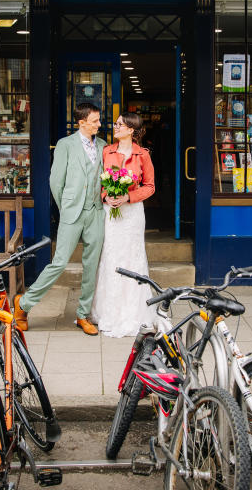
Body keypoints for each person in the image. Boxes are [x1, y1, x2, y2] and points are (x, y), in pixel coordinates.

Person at [14, 103, 106, 335]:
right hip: (72, 212)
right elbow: (56, 181)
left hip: (95, 212)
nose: (99, 124)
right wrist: (66, 206)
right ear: (82, 122)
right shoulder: (65, 145)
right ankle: (23, 305)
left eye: (98, 120)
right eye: (95, 120)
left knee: (92, 264)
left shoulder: (103, 145)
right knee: (60, 262)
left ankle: (83, 315)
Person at [90, 112, 156, 338]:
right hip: (111, 213)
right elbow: (97, 179)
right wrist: (105, 195)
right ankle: (109, 312)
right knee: (111, 257)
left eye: (120, 124)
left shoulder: (143, 155)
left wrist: (128, 197)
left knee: (133, 258)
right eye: (116, 123)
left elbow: (150, 186)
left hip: (133, 214)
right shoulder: (107, 151)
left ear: (131, 129)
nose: (115, 126)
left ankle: (134, 313)